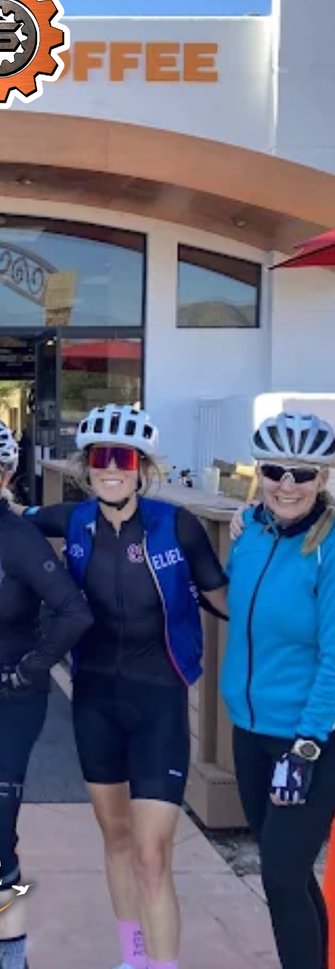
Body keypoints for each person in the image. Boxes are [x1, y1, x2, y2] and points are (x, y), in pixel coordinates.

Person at [0, 404, 228, 969]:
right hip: (95, 698)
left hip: (159, 700)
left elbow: (228, 601)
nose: (111, 468)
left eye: (123, 459)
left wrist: (261, 533)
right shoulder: (74, 520)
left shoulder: (178, 526)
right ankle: (133, 958)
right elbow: (2, 503)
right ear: (86, 465)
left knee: (152, 855)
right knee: (116, 840)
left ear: (143, 468)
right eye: (100, 457)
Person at [0, 418, 94, 969]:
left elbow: (75, 612)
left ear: (5, 476)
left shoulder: (18, 537)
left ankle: (12, 960)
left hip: (9, 703)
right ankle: (6, 951)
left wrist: (28, 669)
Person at [221, 411, 335, 969]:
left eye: (303, 473)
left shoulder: (329, 547)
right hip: (248, 729)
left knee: (282, 877)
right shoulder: (250, 532)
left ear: (323, 479)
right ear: (258, 474)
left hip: (308, 739)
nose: (287, 485)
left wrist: (306, 745)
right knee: (286, 876)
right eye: (274, 471)